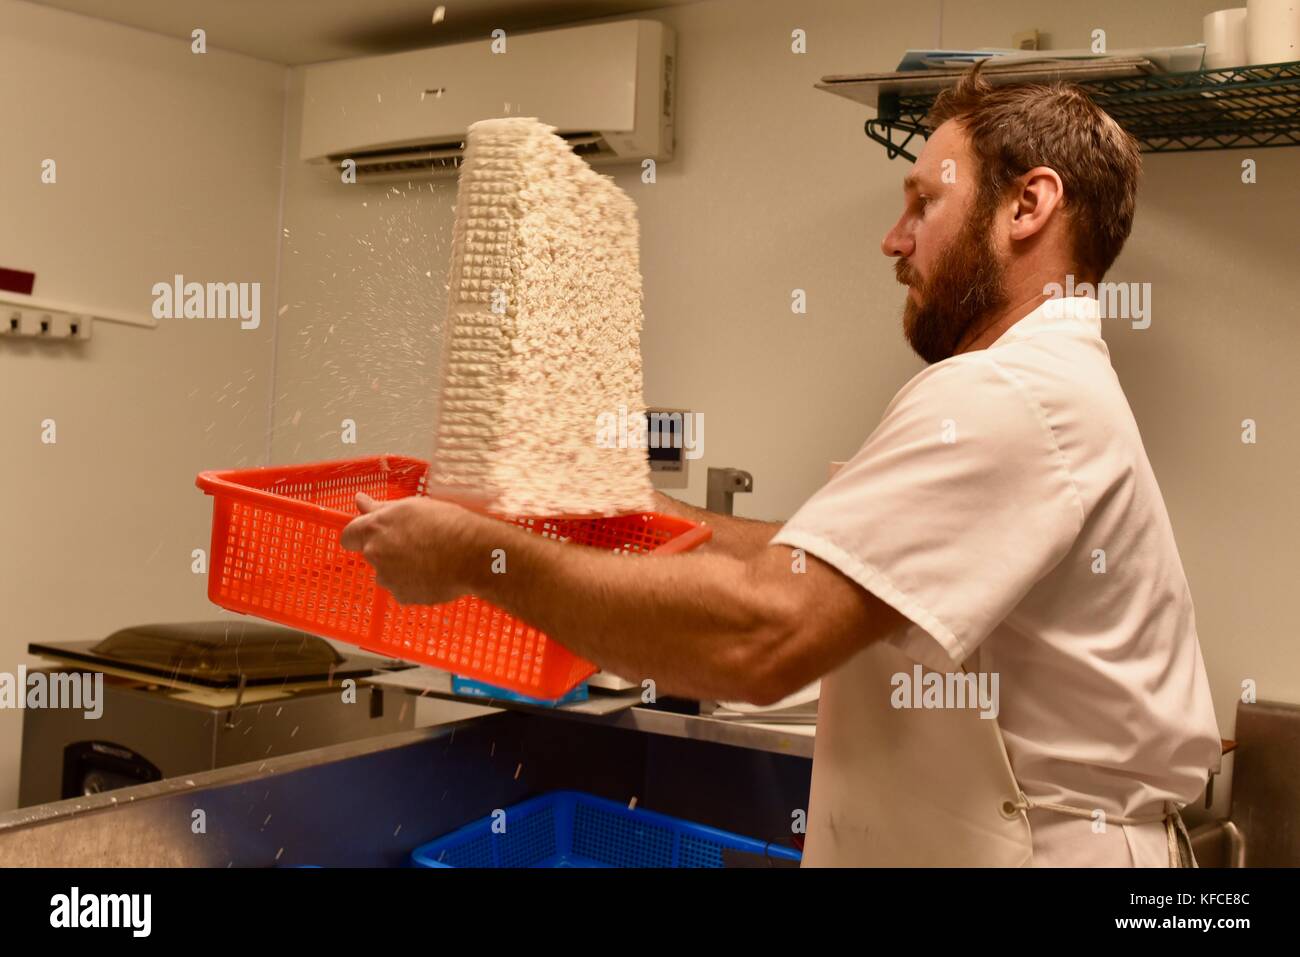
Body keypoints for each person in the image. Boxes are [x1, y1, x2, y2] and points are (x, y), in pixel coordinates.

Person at [340, 64, 1220, 867]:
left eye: (923, 203)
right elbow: (811, 566)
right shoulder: (1038, 384)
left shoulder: (1008, 397)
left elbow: (762, 636)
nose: (894, 238)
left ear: (1027, 206)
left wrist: (473, 560)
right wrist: (646, 512)